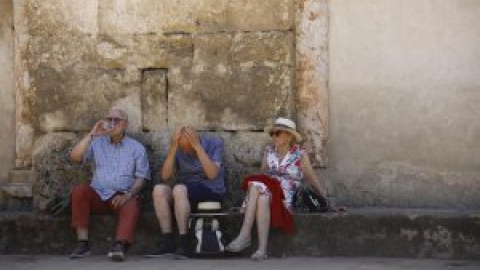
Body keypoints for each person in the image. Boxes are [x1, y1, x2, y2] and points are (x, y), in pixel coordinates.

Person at [226, 117, 343, 260]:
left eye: (278, 133)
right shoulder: (269, 151)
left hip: (286, 195)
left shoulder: (299, 153)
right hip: (267, 190)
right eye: (272, 134)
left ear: (289, 136)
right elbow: (262, 174)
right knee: (262, 197)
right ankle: (262, 250)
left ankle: (245, 234)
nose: (274, 136)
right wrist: (253, 196)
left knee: (257, 186)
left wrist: (326, 199)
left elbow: (311, 177)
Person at [68, 107, 151, 261]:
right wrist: (92, 134)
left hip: (122, 196)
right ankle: (82, 243)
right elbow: (75, 157)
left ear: (125, 125)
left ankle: (120, 244)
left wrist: (128, 194)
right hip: (98, 195)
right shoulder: (97, 143)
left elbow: (142, 176)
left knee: (133, 201)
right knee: (79, 191)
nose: (112, 123)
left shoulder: (136, 148)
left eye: (116, 120)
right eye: (109, 120)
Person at [146, 127, 226, 259]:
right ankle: (167, 242)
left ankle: (184, 242)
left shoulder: (214, 143)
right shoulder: (178, 147)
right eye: (182, 148)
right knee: (159, 190)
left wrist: (197, 147)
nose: (185, 151)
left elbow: (212, 174)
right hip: (184, 191)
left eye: (188, 148)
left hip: (210, 189)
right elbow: (165, 177)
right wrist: (173, 148)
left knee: (179, 189)